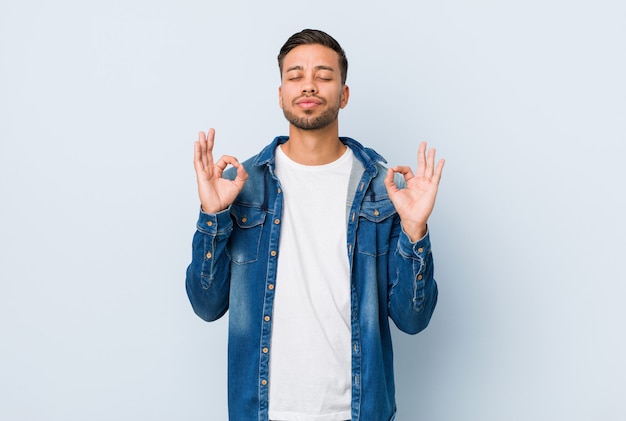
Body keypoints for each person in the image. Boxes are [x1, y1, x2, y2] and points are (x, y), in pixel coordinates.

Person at [186, 29, 444, 421]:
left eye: (324, 76)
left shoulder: (382, 187)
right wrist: (213, 217)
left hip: (357, 411)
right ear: (280, 94)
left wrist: (414, 231)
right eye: (295, 75)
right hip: (264, 411)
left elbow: (412, 320)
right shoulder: (243, 186)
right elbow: (206, 305)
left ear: (343, 94)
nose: (309, 85)